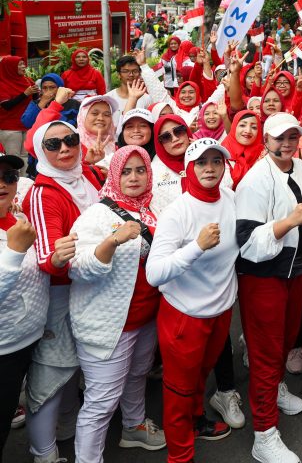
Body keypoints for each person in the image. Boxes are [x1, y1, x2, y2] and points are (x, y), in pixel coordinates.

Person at [69, 145, 166, 461]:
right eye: (126, 171)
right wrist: (111, 241)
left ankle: (133, 426)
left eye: (140, 170)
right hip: (109, 324)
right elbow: (77, 267)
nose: (134, 177)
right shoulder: (97, 214)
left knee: (138, 374)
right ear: (114, 174)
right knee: (101, 401)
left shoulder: (155, 206)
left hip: (147, 315)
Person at [146, 138, 239, 463]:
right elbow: (154, 272)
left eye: (217, 161)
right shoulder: (177, 212)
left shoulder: (230, 197)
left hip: (220, 312)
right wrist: (196, 246)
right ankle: (180, 455)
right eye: (202, 162)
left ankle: (197, 420)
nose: (210, 168)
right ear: (189, 168)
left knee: (202, 375)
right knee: (177, 390)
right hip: (185, 317)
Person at [235, 113, 302, 463]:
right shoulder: (254, 181)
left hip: (296, 272)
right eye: (279, 138)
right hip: (264, 278)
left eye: (292, 137)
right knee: (266, 354)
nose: (286, 143)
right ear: (266, 141)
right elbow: (248, 244)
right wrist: (287, 223)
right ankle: (264, 435)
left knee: (285, 341)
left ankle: (277, 388)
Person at [23, 120, 101, 463]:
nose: (65, 149)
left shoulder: (90, 177)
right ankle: (44, 453)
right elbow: (45, 256)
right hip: (60, 293)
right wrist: (56, 256)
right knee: (52, 371)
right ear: (41, 151)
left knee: (74, 370)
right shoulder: (43, 193)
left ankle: (66, 428)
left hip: (93, 288)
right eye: (53, 145)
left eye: (70, 139)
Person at [0, 150, 47, 460]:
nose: (2, 183)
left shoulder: (19, 218)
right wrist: (14, 253)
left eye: (8, 177)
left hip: (29, 339)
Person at [0, 56, 35, 165]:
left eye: (23, 64)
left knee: (25, 156)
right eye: (19, 64)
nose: (23, 66)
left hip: (27, 124)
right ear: (10, 68)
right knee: (13, 158)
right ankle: (12, 180)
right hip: (10, 128)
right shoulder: (2, 84)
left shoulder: (27, 80)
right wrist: (25, 94)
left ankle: (24, 181)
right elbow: (6, 105)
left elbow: (33, 100)